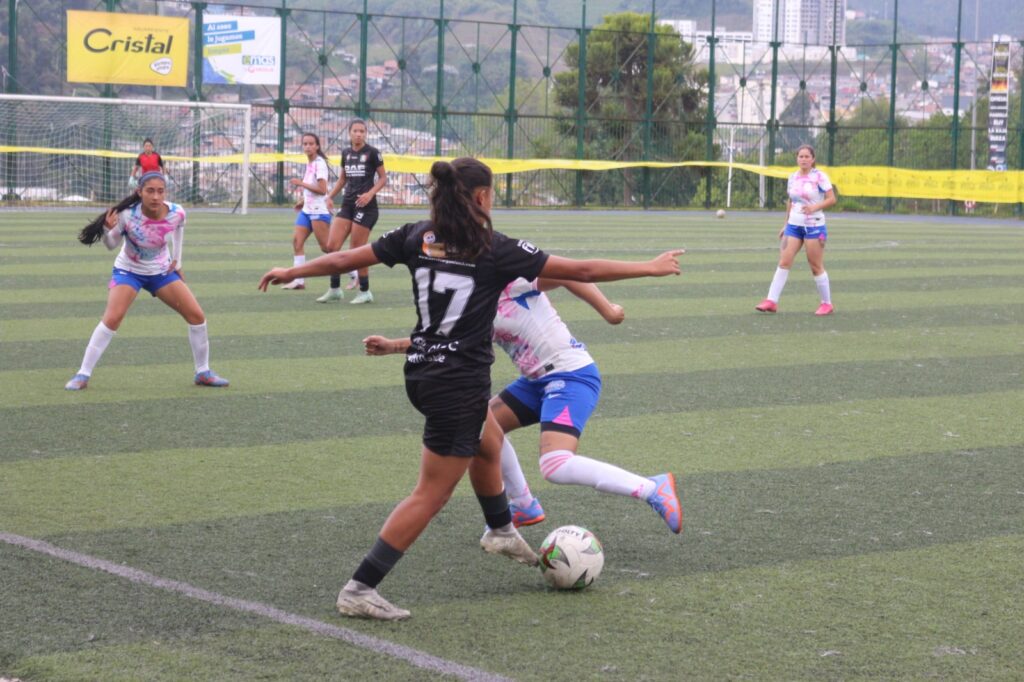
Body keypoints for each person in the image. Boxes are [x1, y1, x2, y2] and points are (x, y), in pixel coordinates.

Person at [257, 157, 683, 621]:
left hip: (422, 372)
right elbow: (579, 270)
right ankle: (360, 589)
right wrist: (650, 267)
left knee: (490, 438)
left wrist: (293, 270)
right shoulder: (493, 249)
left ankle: (501, 529)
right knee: (431, 494)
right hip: (457, 384)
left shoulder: (416, 235)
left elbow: (344, 258)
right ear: (481, 197)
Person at [364, 277, 683, 534]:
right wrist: (392, 346)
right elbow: (441, 341)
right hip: (534, 382)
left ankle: (651, 488)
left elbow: (571, 273)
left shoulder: (508, 281)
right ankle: (523, 505)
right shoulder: (474, 305)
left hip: (571, 375)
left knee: (555, 465)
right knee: (481, 426)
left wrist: (608, 310)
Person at [65, 172, 229, 390]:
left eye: (160, 191)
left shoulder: (177, 212)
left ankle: (203, 372)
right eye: (150, 191)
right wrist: (106, 229)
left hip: (161, 272)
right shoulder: (126, 215)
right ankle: (82, 374)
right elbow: (111, 245)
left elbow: (179, 230)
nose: (155, 196)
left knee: (197, 316)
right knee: (112, 318)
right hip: (128, 271)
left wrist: (177, 261)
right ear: (139, 192)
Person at [755, 144, 837, 316]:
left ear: (813, 159)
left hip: (814, 225)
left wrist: (814, 208)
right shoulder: (793, 177)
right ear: (797, 158)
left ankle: (826, 303)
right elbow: (791, 202)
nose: (804, 159)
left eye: (807, 156)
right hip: (794, 225)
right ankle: (771, 301)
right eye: (801, 156)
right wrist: (785, 224)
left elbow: (831, 199)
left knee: (815, 266)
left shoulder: (819, 176)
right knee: (784, 261)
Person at [315, 118, 386, 304]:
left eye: (362, 131)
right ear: (350, 132)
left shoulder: (372, 153)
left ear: (366, 133)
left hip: (366, 207)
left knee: (357, 250)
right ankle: (335, 289)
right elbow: (342, 179)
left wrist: (370, 194)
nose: (359, 134)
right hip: (347, 204)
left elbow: (383, 178)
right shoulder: (346, 153)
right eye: (355, 131)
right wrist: (329, 196)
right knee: (332, 247)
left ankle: (365, 291)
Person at [280, 133, 332, 291]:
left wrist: (300, 183)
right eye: (305, 144)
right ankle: (298, 280)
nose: (308, 146)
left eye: (311, 144)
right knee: (297, 242)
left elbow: (322, 190)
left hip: (318, 211)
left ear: (317, 146)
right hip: (307, 210)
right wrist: (303, 201)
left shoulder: (319, 163)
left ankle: (354, 273)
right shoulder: (309, 163)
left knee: (327, 248)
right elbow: (313, 188)